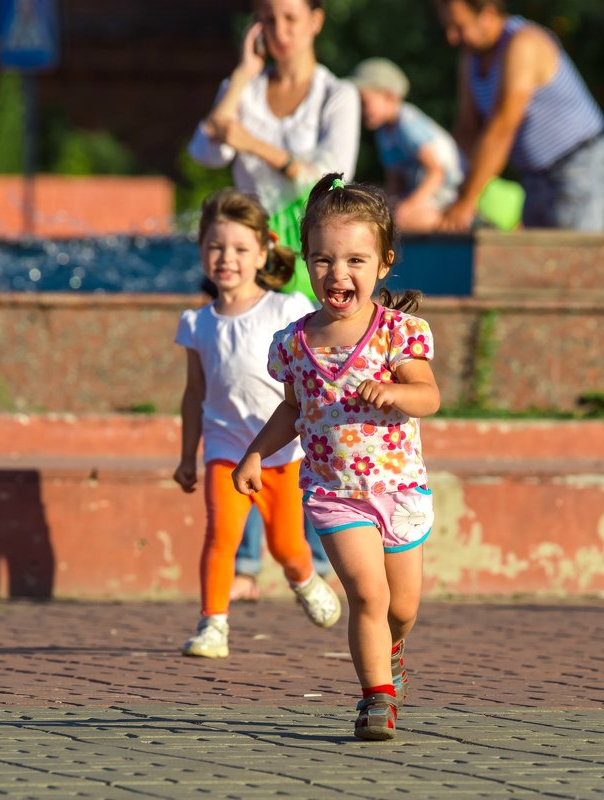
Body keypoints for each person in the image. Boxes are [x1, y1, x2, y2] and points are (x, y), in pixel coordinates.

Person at [232, 174, 440, 740]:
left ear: (383, 263)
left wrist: (397, 393)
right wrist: (255, 454)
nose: (337, 274)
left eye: (354, 260)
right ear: (306, 260)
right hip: (333, 492)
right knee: (367, 594)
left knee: (402, 608)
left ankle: (393, 649)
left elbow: (428, 395)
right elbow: (290, 412)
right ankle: (376, 698)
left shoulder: (399, 333)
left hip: (399, 491)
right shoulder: (294, 343)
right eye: (322, 260)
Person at [174, 187, 342, 659]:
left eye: (240, 249)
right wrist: (188, 456)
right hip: (224, 450)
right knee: (220, 535)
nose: (226, 258)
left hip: (280, 452)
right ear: (202, 251)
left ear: (263, 251)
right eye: (215, 247)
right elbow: (194, 395)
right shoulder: (196, 322)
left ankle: (304, 578)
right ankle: (213, 624)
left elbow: (318, 364)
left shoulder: (285, 309)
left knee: (287, 544)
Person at [188, 0, 361, 300]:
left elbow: (333, 179)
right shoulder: (243, 89)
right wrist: (243, 73)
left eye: (290, 18)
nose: (280, 32)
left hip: (311, 245)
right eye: (268, 20)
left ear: (315, 21)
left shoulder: (337, 94)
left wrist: (252, 144)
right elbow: (205, 153)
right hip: (252, 245)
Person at [436, 0, 604, 232]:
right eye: (447, 27)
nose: (451, 37)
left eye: (459, 26)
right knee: (539, 262)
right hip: (534, 179)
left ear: (487, 13)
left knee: (579, 261)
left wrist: (466, 202)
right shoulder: (471, 58)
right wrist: (452, 187)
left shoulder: (523, 43)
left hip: (580, 170)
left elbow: (502, 127)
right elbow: (467, 128)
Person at [348, 58, 464, 233]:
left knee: (395, 221)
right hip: (423, 196)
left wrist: (410, 205)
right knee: (377, 213)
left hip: (447, 197)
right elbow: (395, 180)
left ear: (389, 96)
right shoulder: (384, 133)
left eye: (365, 102)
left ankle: (454, 224)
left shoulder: (408, 124)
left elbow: (436, 172)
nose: (361, 110)